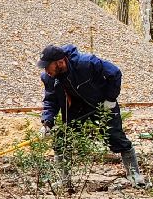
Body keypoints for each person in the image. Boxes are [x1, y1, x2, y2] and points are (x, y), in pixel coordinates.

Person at [38, 43, 145, 187]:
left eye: (47, 66)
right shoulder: (49, 77)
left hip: (102, 105)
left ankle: (134, 175)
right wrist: (47, 123)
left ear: (60, 62)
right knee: (62, 140)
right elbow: (51, 100)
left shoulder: (86, 63)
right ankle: (64, 181)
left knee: (115, 137)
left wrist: (110, 98)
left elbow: (115, 73)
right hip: (75, 109)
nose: (45, 70)